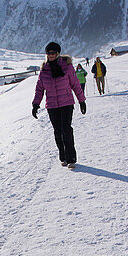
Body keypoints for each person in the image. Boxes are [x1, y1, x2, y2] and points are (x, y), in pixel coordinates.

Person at [32, 41, 86, 170]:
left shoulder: (67, 67)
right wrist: (35, 104)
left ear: (58, 53)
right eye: (48, 53)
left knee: (66, 130)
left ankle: (71, 158)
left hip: (66, 103)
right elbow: (39, 89)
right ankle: (63, 156)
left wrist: (81, 100)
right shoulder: (44, 70)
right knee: (57, 132)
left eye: (53, 53)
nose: (50, 55)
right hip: (51, 106)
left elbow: (75, 84)